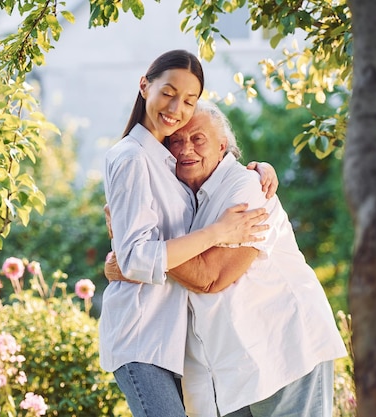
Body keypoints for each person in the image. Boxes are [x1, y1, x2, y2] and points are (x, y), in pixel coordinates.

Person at [107, 99, 347, 417]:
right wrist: (136, 253)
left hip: (284, 350)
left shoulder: (247, 187)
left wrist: (138, 252)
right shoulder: (182, 202)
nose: (185, 149)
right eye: (176, 141)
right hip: (234, 371)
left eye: (197, 139)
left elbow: (210, 277)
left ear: (223, 146)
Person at [100, 49, 278, 417]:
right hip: (140, 338)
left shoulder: (166, 162)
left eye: (189, 100)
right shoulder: (133, 157)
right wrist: (218, 232)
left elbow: (204, 188)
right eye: (168, 92)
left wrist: (256, 169)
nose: (176, 107)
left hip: (169, 342)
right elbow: (135, 258)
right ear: (144, 85)